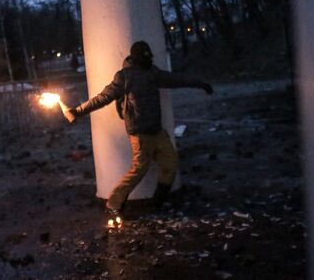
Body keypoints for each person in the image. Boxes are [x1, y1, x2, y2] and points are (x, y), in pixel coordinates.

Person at [66, 41, 213, 217]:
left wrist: (200, 83)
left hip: (157, 131)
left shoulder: (153, 73)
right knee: (139, 169)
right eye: (145, 58)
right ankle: (113, 203)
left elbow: (177, 79)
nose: (148, 60)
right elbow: (103, 98)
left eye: (149, 57)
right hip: (139, 134)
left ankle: (157, 202)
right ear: (136, 58)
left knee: (171, 162)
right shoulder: (124, 77)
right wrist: (78, 111)